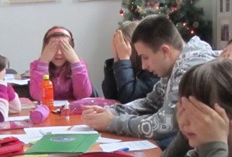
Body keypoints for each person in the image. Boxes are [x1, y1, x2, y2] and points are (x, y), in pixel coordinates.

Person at [82, 15, 215, 148]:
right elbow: (150, 102)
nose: (143, 66)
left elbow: (163, 124)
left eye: (145, 57)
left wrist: (112, 123)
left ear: (165, 51)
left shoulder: (190, 69)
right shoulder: (175, 65)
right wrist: (112, 111)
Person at [29, 26, 93, 101]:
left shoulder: (79, 66)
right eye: (54, 48)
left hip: (72, 107)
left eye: (64, 48)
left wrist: (75, 62)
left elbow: (83, 95)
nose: (59, 53)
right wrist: (44, 62)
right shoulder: (36, 66)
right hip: (47, 106)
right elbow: (38, 96)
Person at [101, 21, 159, 103]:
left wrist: (124, 60)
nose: (120, 49)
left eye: (122, 46)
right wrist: (116, 59)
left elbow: (129, 100)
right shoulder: (123, 66)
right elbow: (110, 97)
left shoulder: (152, 71)